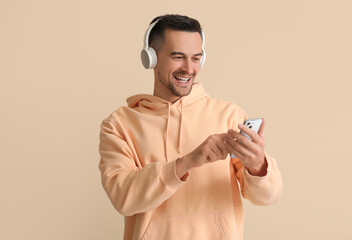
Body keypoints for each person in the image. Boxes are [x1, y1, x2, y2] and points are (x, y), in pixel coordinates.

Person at [98, 14, 282, 240]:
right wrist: (186, 162)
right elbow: (123, 197)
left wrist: (257, 167)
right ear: (151, 58)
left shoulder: (230, 115)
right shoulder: (119, 124)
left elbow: (268, 197)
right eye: (178, 57)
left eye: (196, 58)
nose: (189, 68)